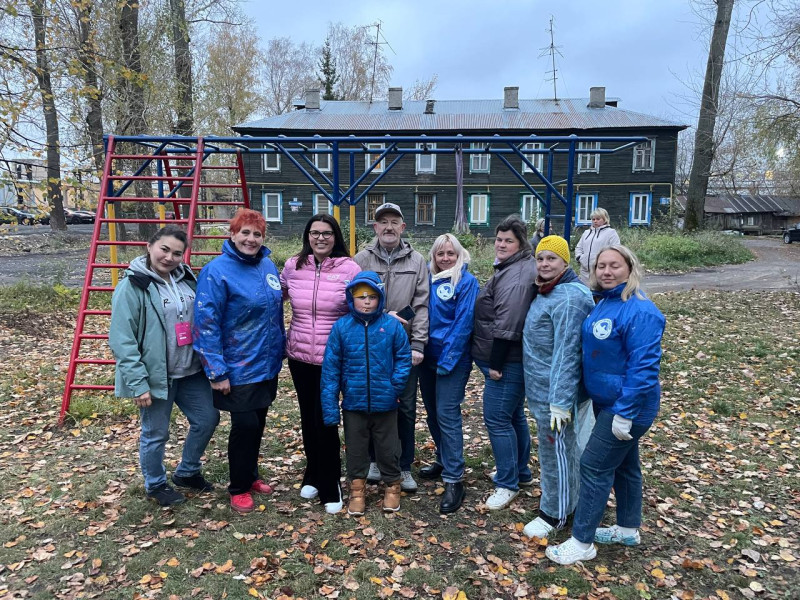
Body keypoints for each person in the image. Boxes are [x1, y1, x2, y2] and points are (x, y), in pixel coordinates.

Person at [546, 245, 666, 565]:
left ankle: (582, 541)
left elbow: (644, 368)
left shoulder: (641, 311)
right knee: (625, 466)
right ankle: (627, 529)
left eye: (615, 265)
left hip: (628, 406)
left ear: (630, 268)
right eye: (601, 266)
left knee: (594, 466)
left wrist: (625, 413)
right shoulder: (604, 302)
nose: (607, 272)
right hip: (606, 401)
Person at [109, 225, 219, 507]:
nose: (169, 257)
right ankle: (156, 484)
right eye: (164, 249)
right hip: (157, 374)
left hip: (191, 371)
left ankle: (187, 471)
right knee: (156, 433)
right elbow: (122, 339)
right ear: (150, 246)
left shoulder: (186, 280)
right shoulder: (133, 286)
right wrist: (138, 383)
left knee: (208, 419)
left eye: (177, 253)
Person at [193, 209, 285, 514]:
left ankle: (251, 474)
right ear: (232, 234)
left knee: (257, 423)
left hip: (266, 363)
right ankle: (238, 486)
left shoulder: (268, 265)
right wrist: (216, 370)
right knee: (244, 425)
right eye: (244, 232)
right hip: (237, 365)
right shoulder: (216, 271)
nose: (251, 239)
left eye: (257, 234)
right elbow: (206, 323)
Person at [281, 214, 361, 514]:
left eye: (327, 233)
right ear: (307, 236)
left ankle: (331, 483)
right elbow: (275, 297)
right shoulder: (294, 266)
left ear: (335, 236)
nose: (320, 238)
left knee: (326, 419)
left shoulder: (349, 268)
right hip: (300, 355)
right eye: (314, 233)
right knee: (307, 417)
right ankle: (312, 472)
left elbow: (364, 306)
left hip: (333, 357)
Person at [521, 235, 594, 540]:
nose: (545, 264)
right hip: (541, 390)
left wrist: (561, 401)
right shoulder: (549, 292)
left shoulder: (569, 298)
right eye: (540, 258)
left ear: (565, 262)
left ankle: (556, 513)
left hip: (555, 395)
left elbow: (568, 352)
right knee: (559, 450)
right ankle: (568, 500)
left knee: (557, 451)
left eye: (552, 258)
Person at [321, 271, 412, 516]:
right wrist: (330, 409)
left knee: (388, 446)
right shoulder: (341, 328)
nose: (367, 301)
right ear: (352, 298)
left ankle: (392, 485)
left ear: (380, 297)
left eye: (372, 296)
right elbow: (331, 370)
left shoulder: (391, 326)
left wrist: (394, 385)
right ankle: (357, 489)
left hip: (386, 402)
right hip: (353, 403)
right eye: (361, 296)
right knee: (356, 447)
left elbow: (404, 358)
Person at [354, 203, 429, 493]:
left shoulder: (417, 261)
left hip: (404, 349)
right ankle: (375, 460)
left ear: (402, 227)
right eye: (382, 221)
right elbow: (352, 302)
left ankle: (403, 464)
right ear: (374, 227)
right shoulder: (361, 259)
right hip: (369, 347)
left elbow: (422, 305)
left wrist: (418, 343)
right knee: (372, 405)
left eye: (393, 221)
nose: (388, 226)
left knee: (406, 408)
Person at [472, 215, 538, 510]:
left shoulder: (519, 273)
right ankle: (521, 472)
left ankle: (507, 483)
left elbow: (509, 321)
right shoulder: (513, 267)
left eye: (508, 240)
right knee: (513, 417)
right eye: (498, 239)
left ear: (521, 243)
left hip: (507, 358)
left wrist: (495, 362)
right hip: (510, 357)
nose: (501, 244)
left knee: (497, 419)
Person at [418, 233, 479, 514]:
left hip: (451, 360)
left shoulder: (466, 282)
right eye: (440, 253)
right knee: (432, 412)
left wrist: (448, 358)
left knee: (447, 413)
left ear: (459, 254)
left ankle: (455, 478)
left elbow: (463, 322)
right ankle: (444, 458)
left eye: (450, 253)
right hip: (426, 357)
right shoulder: (429, 279)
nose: (445, 258)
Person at [574, 208, 620, 283]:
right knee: (586, 293)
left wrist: (605, 264)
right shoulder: (586, 233)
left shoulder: (611, 233)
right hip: (585, 271)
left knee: (599, 293)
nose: (595, 221)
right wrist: (580, 258)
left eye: (598, 219)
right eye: (593, 219)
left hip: (601, 271)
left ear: (605, 219)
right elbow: (579, 247)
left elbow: (616, 250)